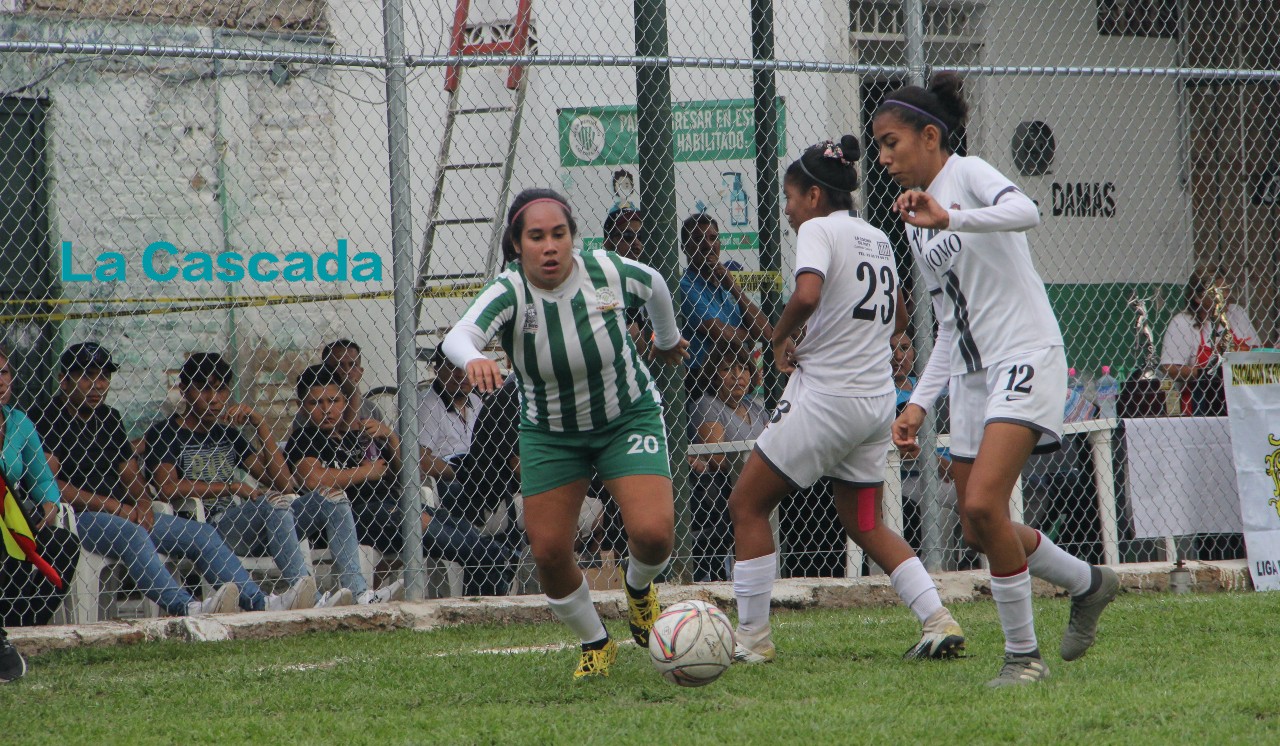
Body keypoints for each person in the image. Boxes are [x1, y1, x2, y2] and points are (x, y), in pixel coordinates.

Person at [875, 73, 1119, 687]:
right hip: (972, 375)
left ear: (930, 137)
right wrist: (919, 405)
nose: (883, 158)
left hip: (1026, 354)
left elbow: (1027, 211)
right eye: (878, 145)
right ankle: (1088, 582)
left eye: (891, 143)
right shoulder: (911, 219)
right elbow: (949, 325)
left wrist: (952, 215)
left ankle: (1022, 658)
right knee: (977, 521)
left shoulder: (968, 173)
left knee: (985, 501)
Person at [727, 136, 965, 665]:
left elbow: (808, 293)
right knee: (863, 522)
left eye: (789, 198)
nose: (787, 211)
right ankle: (937, 617)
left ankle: (752, 639)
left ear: (813, 195)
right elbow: (900, 317)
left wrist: (780, 337)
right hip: (874, 403)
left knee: (747, 504)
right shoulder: (877, 234)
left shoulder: (816, 228)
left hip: (827, 401)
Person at [442, 188, 689, 679]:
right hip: (551, 432)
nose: (550, 246)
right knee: (550, 553)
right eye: (536, 237)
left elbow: (656, 283)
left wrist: (666, 340)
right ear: (517, 244)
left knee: (654, 535)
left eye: (559, 234)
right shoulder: (509, 291)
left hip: (627, 417)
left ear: (574, 237)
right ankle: (596, 643)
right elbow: (460, 334)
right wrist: (472, 358)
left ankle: (639, 588)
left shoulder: (606, 273)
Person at [32, 342, 257, 616]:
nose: (98, 385)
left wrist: (143, 502)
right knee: (133, 534)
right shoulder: (48, 417)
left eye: (104, 376)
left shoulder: (109, 417)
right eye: (87, 376)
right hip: (79, 518)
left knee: (202, 533)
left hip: (126, 514)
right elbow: (51, 485)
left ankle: (258, 601)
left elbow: (130, 473)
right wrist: (116, 507)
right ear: (64, 381)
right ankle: (186, 607)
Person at [287, 364, 514, 598]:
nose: (326, 410)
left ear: (344, 402)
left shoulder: (358, 435)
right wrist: (368, 472)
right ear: (301, 407)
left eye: (333, 401)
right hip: (353, 514)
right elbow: (313, 479)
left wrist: (391, 438)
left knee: (459, 526)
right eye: (316, 403)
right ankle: (496, 559)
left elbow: (406, 476)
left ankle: (490, 563)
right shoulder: (305, 437)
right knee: (435, 529)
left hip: (393, 506)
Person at [145, 353, 326, 611]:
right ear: (184, 390)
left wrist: (260, 423)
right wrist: (229, 487)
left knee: (327, 500)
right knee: (270, 502)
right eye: (204, 389)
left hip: (242, 524)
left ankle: (337, 594)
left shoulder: (228, 435)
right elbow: (168, 487)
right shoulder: (165, 433)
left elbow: (283, 483)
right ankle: (306, 596)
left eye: (221, 390)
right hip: (205, 527)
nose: (214, 399)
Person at [0, 345, 80, 627]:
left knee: (62, 544)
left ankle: (26, 627)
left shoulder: (19, 422)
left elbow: (42, 477)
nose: (0, 381)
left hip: (14, 519)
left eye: (4, 372)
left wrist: (49, 503)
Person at [688, 340, 768, 581]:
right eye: (727, 369)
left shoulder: (756, 409)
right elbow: (719, 458)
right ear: (713, 375)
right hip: (726, 486)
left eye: (743, 368)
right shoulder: (707, 405)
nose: (736, 376)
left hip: (762, 482)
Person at [679, 212, 772, 374]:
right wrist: (750, 335)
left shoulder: (726, 284)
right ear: (685, 247)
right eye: (698, 239)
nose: (708, 245)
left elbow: (765, 332)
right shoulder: (685, 286)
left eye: (713, 238)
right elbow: (721, 335)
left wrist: (734, 289)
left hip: (737, 379)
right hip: (704, 381)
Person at [1160, 266, 1258, 415]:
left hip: (1245, 400)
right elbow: (1171, 368)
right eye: (1217, 292)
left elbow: (1256, 351)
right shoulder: (1183, 323)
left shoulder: (1237, 313)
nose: (1225, 295)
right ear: (1198, 297)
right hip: (1201, 402)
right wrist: (1209, 374)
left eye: (1226, 289)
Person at [417, 348, 481, 485]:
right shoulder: (426, 404)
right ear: (437, 371)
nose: (461, 374)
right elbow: (420, 460)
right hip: (446, 480)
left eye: (467, 367)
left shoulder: (475, 400)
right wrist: (463, 474)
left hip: (474, 472)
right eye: (452, 367)